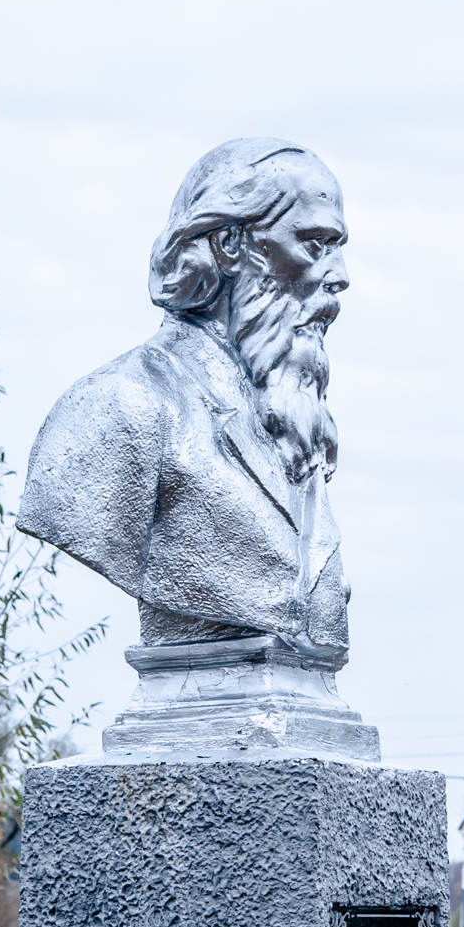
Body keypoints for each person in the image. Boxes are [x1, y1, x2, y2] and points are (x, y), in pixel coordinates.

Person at [18, 139, 354, 650]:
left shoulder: (291, 428)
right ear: (231, 245)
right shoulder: (124, 403)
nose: (340, 277)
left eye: (338, 248)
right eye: (314, 244)